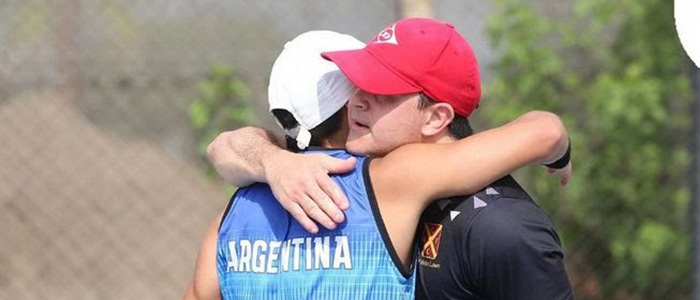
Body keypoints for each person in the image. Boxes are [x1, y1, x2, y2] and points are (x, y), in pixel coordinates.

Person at [185, 27, 571, 300]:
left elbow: (225, 145)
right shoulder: (391, 182)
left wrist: (273, 161)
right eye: (357, 86)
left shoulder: (232, 215)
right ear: (345, 107)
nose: (360, 101)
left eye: (379, 90)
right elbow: (545, 131)